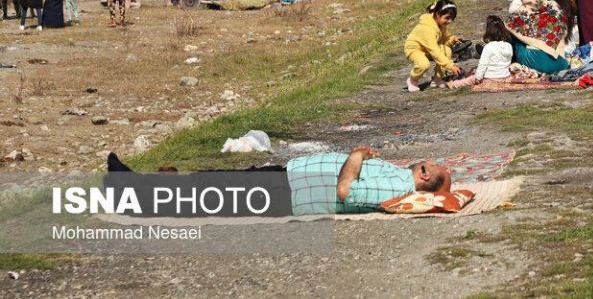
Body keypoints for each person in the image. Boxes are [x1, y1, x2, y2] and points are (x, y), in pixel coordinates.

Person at [105, 146, 452, 216]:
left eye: (433, 165)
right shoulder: (396, 175)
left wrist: (357, 156)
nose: (429, 160)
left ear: (424, 176)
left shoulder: (398, 186)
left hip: (289, 192)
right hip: (290, 179)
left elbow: (346, 190)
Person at [506, 0, 570, 74]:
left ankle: (507, 61)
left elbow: (508, 26)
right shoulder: (554, 7)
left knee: (514, 34)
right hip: (560, 63)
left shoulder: (520, 12)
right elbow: (564, 32)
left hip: (535, 63)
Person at [404, 0, 463, 92]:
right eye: (447, 18)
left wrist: (452, 40)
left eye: (452, 18)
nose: (449, 21)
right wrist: (450, 65)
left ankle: (437, 79)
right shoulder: (428, 29)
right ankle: (412, 80)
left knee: (447, 51)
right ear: (437, 14)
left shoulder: (440, 25)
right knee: (423, 64)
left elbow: (444, 40)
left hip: (428, 48)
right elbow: (435, 51)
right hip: (414, 48)